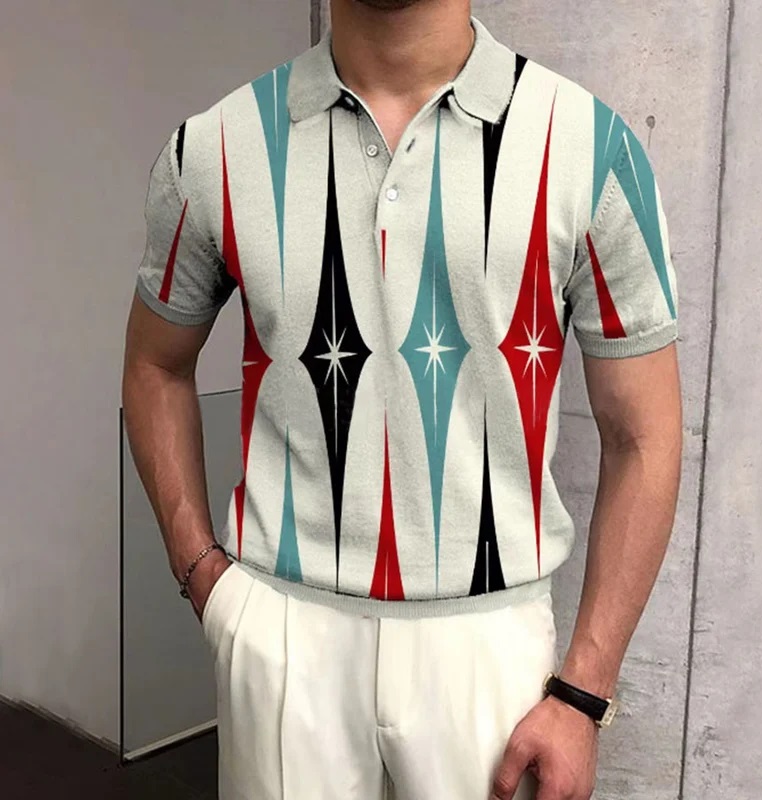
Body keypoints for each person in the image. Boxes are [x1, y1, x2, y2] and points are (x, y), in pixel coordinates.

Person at [121, 0, 683, 797]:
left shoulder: (591, 149)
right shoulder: (213, 149)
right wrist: (203, 574)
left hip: (490, 650)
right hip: (281, 635)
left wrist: (584, 692)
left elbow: (646, 435)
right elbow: (155, 365)